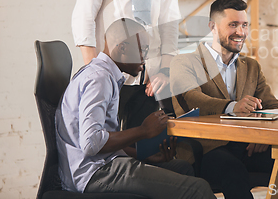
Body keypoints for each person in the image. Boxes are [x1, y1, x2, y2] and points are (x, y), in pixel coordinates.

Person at [55, 18, 215, 198]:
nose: (145, 57)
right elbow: (92, 143)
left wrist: (143, 155)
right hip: (94, 174)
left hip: (103, 164)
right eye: (142, 50)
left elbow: (100, 143)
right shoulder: (99, 79)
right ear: (122, 48)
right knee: (198, 189)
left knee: (182, 168)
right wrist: (144, 131)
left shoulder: (103, 75)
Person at [170, 0, 278, 199]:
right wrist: (232, 106)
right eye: (232, 25)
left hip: (247, 146)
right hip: (206, 148)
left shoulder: (251, 66)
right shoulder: (185, 61)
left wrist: (266, 136)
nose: (241, 32)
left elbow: (273, 107)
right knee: (234, 172)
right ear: (213, 27)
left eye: (244, 25)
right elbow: (193, 98)